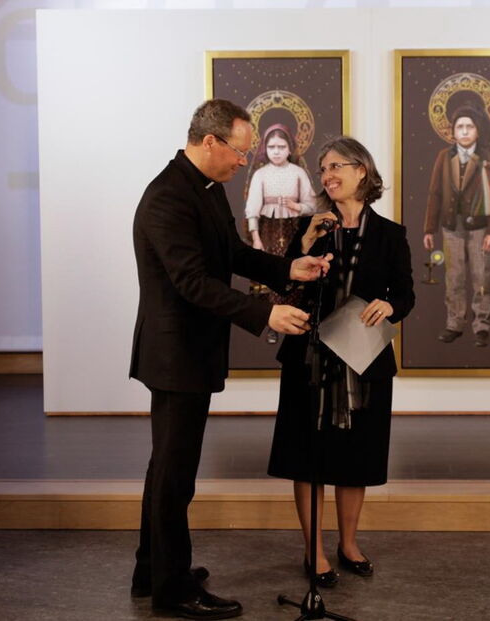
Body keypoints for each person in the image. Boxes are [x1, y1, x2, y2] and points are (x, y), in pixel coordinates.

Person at [128, 99, 331, 620]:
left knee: (167, 466)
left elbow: (235, 254)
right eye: (240, 152)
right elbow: (193, 282)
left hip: (191, 348)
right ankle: (172, 590)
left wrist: (291, 270)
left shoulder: (208, 189)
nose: (246, 161)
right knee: (175, 473)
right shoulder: (168, 199)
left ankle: (153, 568)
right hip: (175, 353)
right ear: (210, 141)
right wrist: (268, 312)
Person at [267, 136, 415, 587]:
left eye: (336, 167)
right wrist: (304, 245)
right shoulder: (312, 226)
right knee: (306, 454)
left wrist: (390, 308)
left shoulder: (391, 235)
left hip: (362, 358)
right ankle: (313, 551)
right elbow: (286, 281)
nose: (327, 176)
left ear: (362, 172)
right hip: (308, 357)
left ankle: (348, 543)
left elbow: (405, 295)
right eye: (323, 169)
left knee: (356, 455)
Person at [423, 105, 490, 348]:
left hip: (479, 227)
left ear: (477, 131)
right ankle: (455, 323)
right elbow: (435, 193)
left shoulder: (487, 157)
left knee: (481, 277)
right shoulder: (444, 157)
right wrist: (429, 228)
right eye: (460, 127)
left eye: (470, 127)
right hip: (451, 227)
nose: (465, 131)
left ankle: (481, 326)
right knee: (454, 277)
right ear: (453, 132)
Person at [243, 124, 317, 344]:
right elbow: (252, 208)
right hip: (269, 230)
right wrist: (256, 238)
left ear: (289, 148)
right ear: (265, 148)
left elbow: (311, 205)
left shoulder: (298, 173)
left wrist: (297, 207)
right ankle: (272, 323)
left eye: (281, 146)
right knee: (271, 272)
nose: (276, 151)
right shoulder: (260, 174)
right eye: (272, 146)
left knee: (294, 271)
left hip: (294, 229)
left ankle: (297, 321)